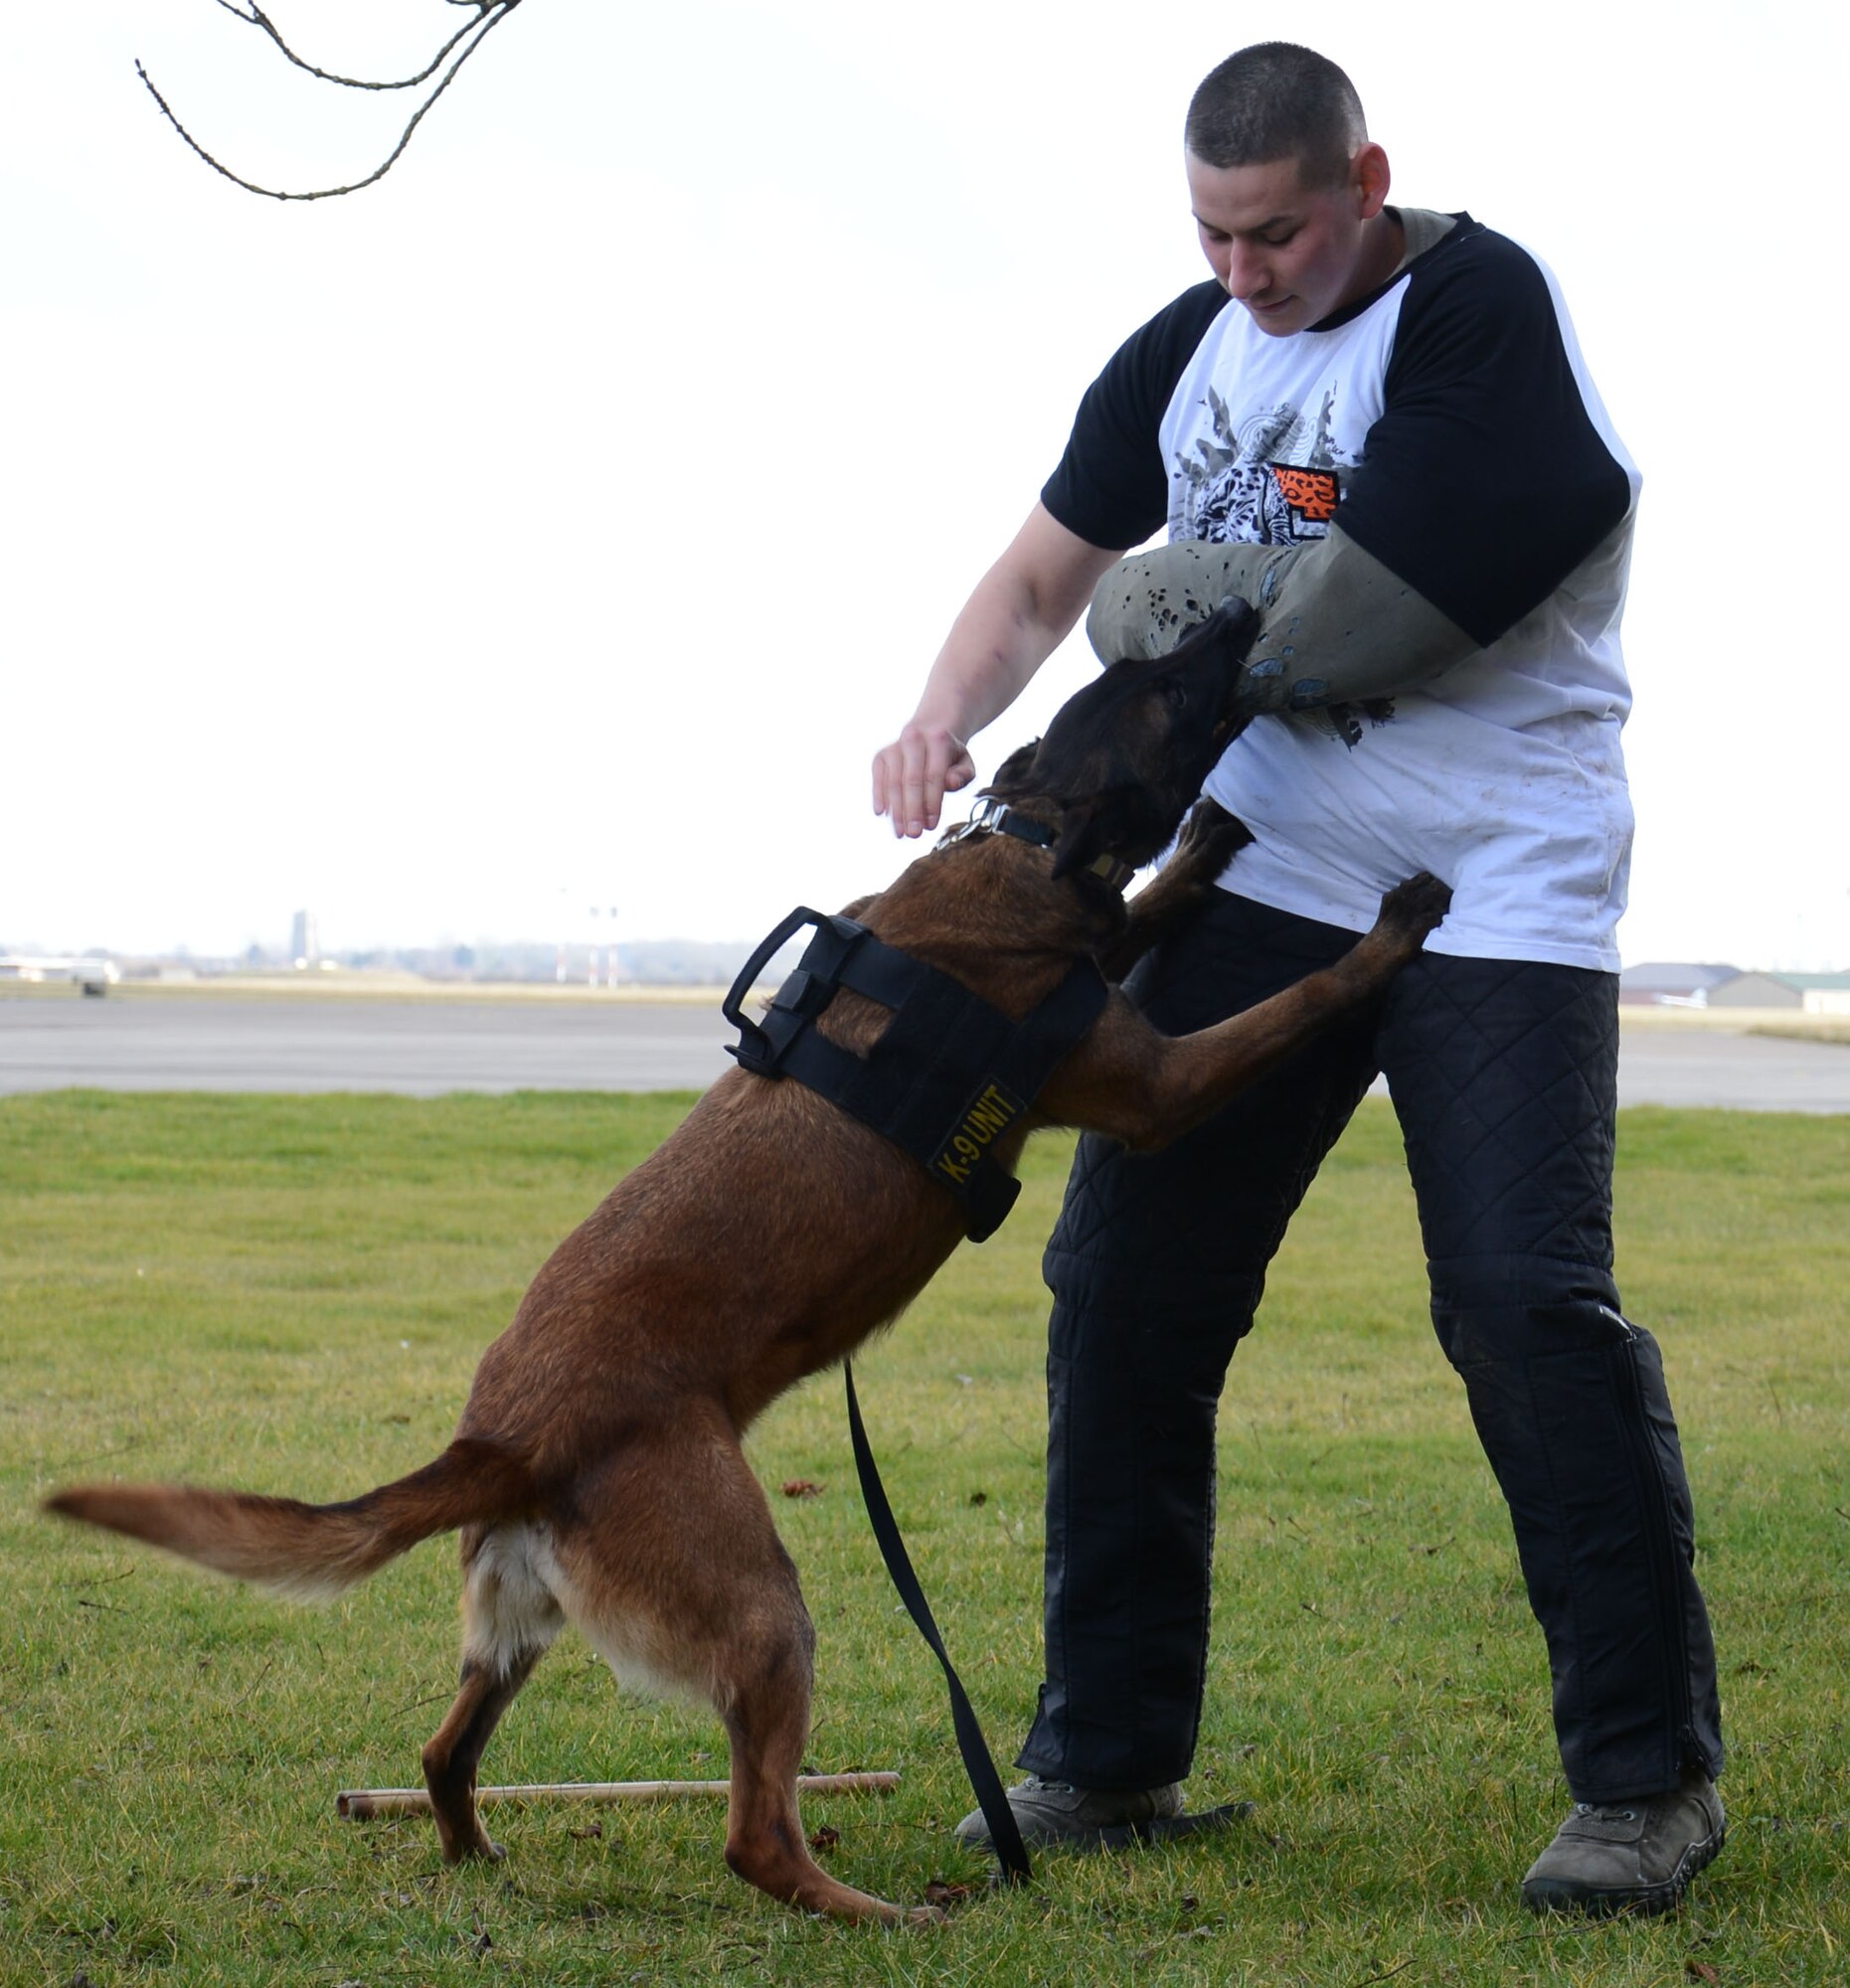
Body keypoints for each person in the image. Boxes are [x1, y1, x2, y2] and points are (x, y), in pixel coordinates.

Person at [869, 42, 1725, 1918]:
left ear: (1364, 181)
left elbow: (1359, 623)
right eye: (1212, 233)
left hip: (1494, 868)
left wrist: (1153, 611)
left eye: (1275, 233)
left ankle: (1642, 1784)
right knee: (1123, 1286)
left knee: (1519, 1301)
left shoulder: (1475, 312)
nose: (1244, 271)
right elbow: (1045, 578)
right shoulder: (1186, 348)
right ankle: (1104, 1756)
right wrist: (940, 709)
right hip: (1257, 865)